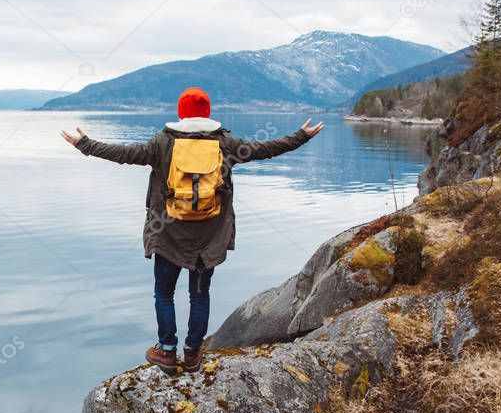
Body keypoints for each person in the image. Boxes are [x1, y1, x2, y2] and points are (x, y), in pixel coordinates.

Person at [61, 87, 323, 374]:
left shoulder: (163, 142)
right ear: (207, 112)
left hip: (168, 234)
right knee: (199, 295)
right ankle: (193, 354)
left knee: (164, 292)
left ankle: (167, 350)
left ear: (180, 113)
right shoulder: (225, 142)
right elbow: (264, 150)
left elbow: (124, 154)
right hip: (208, 238)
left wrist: (85, 144)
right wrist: (300, 136)